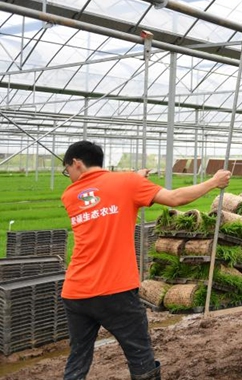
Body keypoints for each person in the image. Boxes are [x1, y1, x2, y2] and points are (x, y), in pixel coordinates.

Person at [59, 140, 231, 380]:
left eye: (67, 171)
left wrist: (135, 179)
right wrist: (214, 182)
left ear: (77, 163)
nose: (69, 176)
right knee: (140, 358)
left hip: (76, 292)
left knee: (78, 357)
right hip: (114, 290)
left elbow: (102, 193)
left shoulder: (70, 195)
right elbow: (175, 199)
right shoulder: (127, 183)